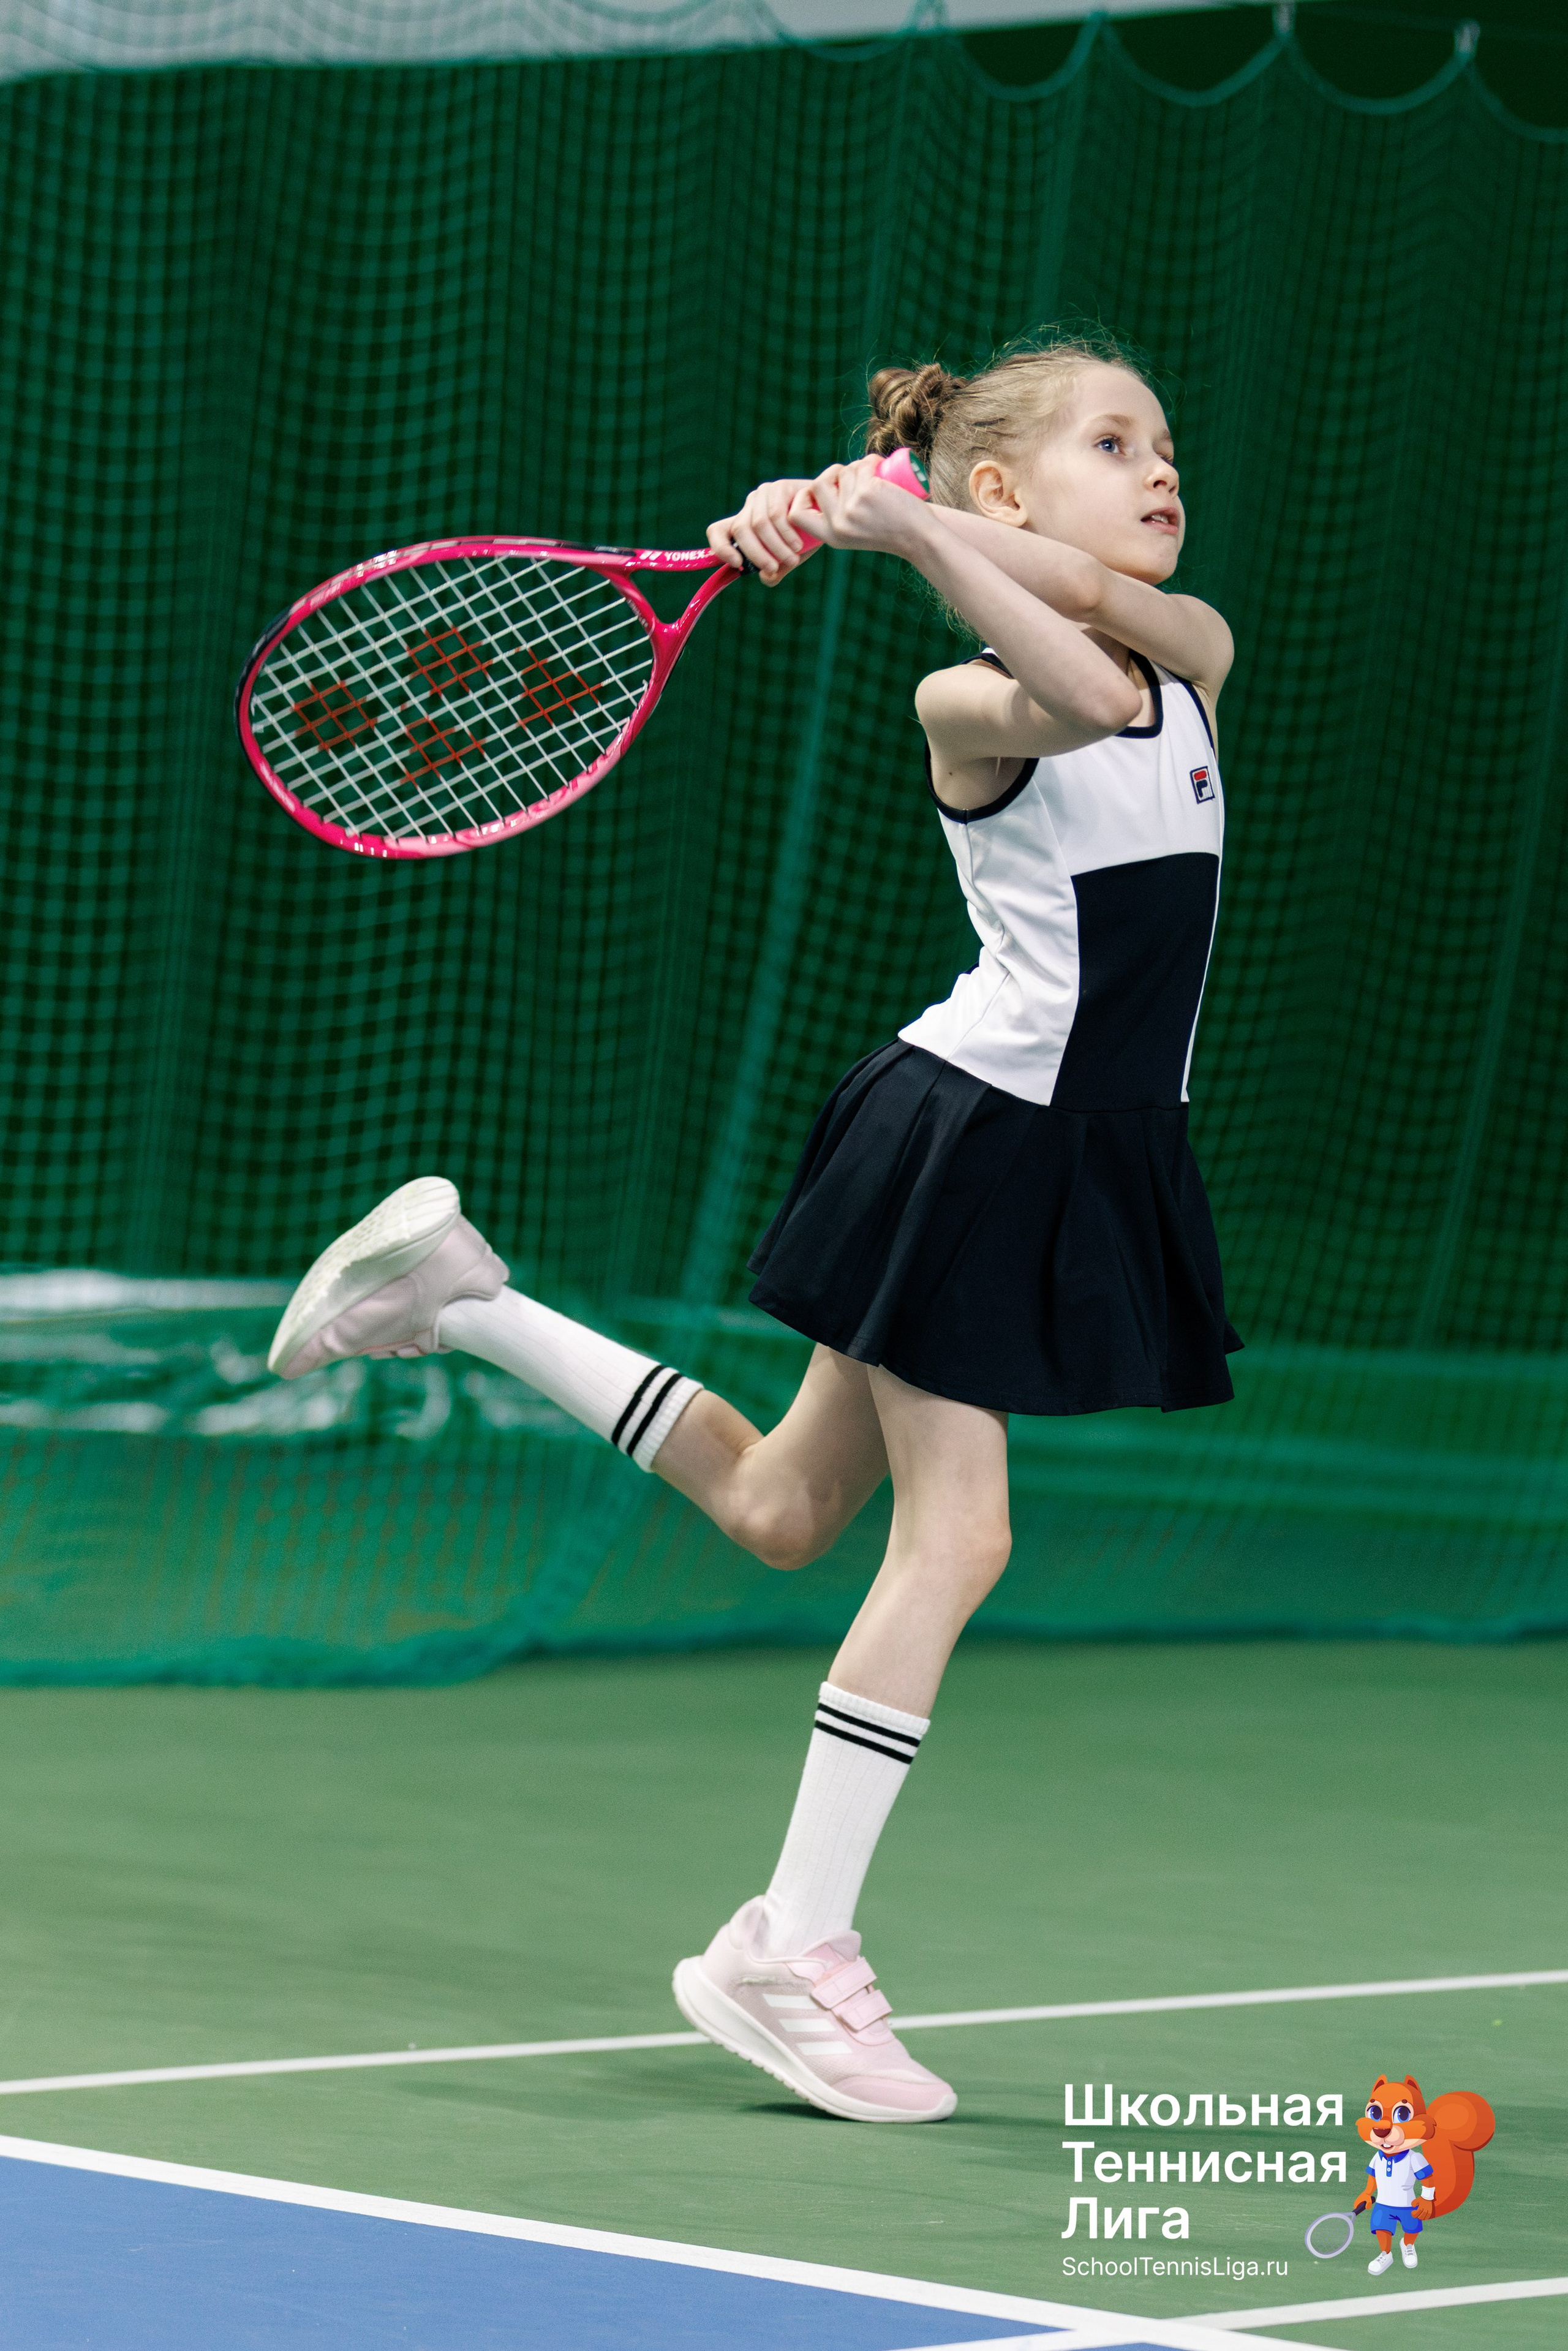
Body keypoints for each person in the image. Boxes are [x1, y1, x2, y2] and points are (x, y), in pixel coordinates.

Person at [265, 333, 1239, 2127]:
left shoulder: (1193, 654)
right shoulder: (971, 709)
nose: (1163, 465)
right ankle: (792, 1947)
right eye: (1118, 442)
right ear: (1006, 491)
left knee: (789, 1512)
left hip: (1062, 1147)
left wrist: (893, 519)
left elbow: (1121, 632)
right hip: (975, 1143)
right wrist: (909, 535)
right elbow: (1068, 694)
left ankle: (460, 1298)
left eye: (1166, 440)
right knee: (959, 1544)